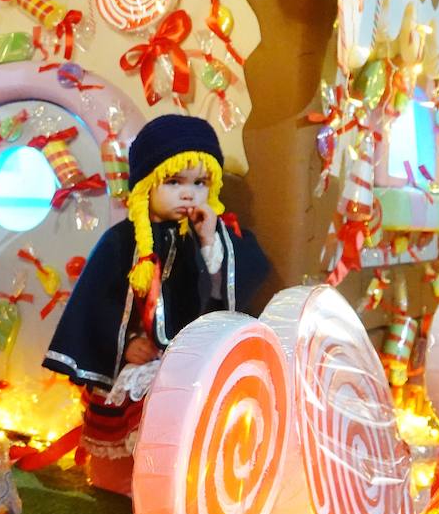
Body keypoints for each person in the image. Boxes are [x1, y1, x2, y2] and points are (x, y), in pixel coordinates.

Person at [43, 114, 269, 460]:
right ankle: (132, 474)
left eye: (200, 183)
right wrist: (127, 342)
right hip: (144, 358)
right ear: (146, 185)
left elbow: (235, 288)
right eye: (175, 181)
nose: (189, 194)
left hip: (194, 360)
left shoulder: (211, 234)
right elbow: (98, 302)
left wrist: (210, 240)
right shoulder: (122, 242)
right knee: (140, 410)